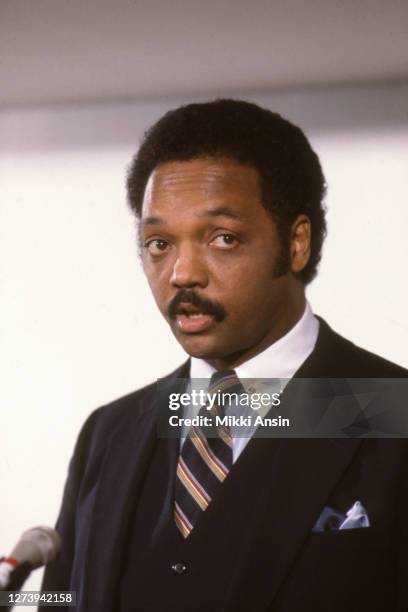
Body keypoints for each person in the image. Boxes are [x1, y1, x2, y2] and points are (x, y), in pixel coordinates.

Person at [40, 99, 408, 612]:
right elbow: (63, 600)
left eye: (223, 238)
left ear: (295, 243)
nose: (183, 273)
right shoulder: (109, 432)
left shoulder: (395, 412)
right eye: (158, 243)